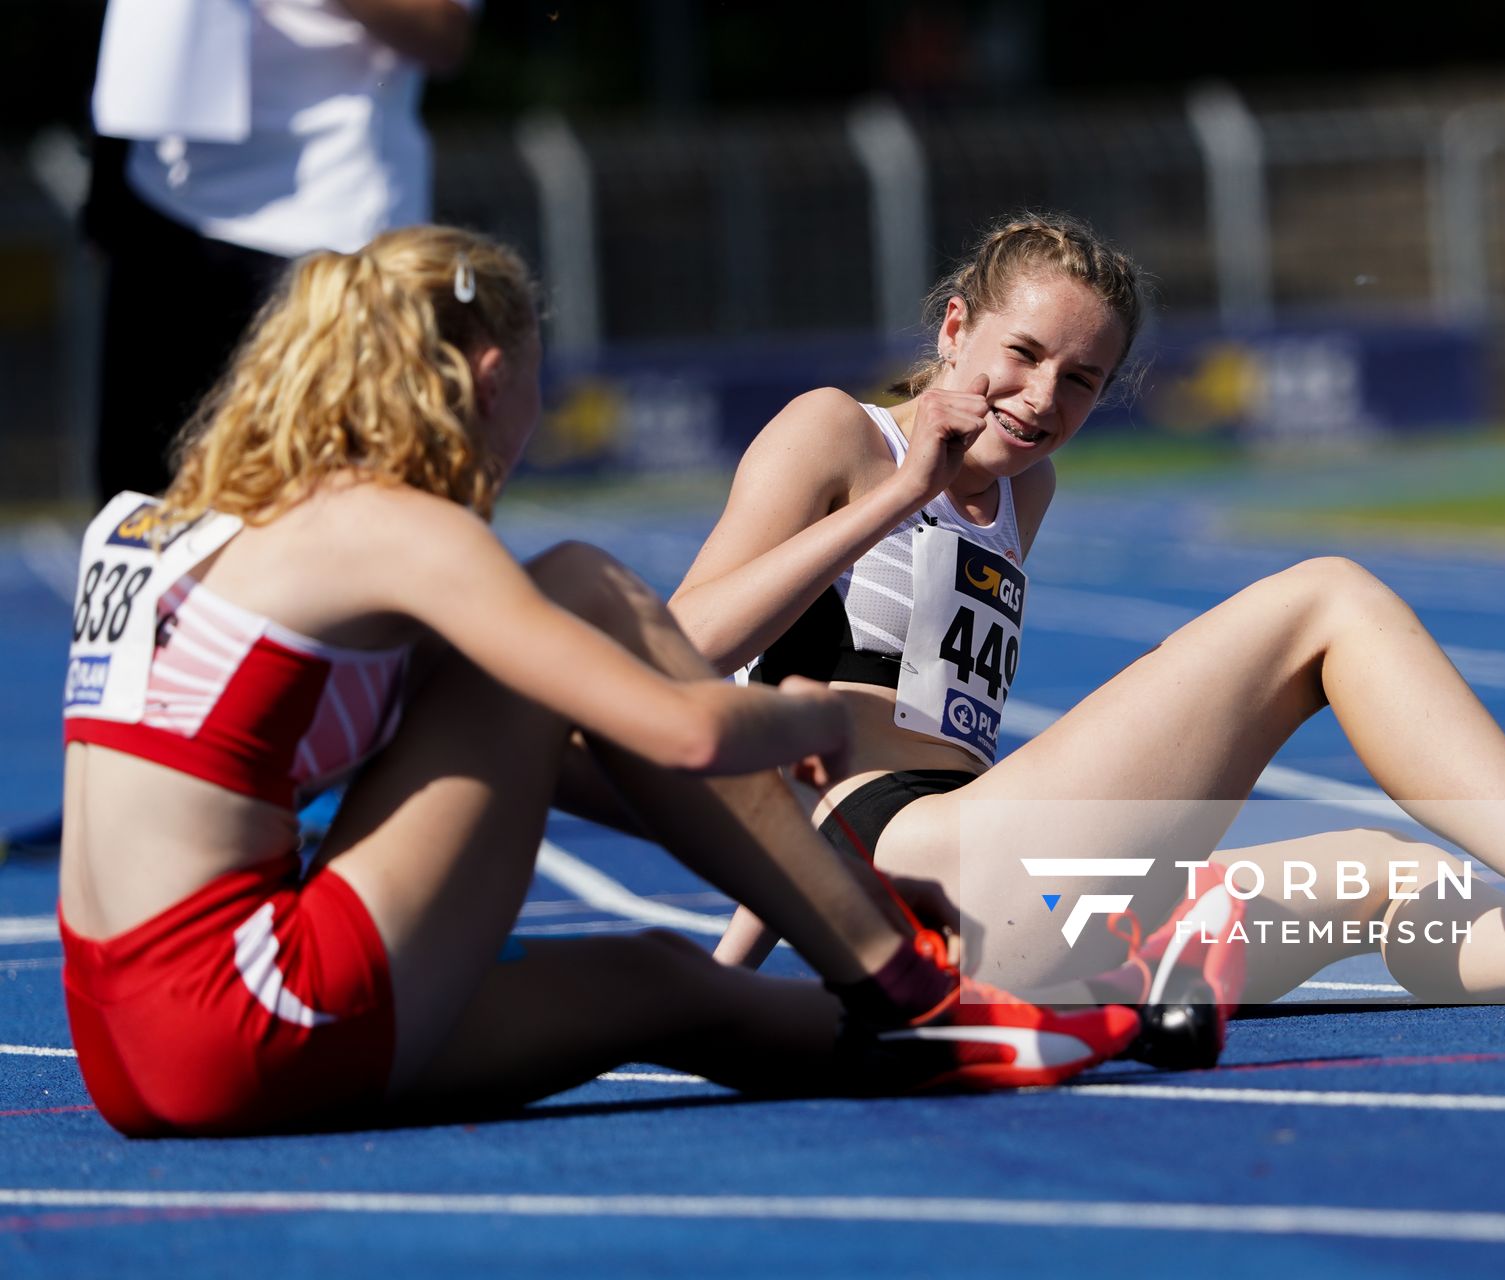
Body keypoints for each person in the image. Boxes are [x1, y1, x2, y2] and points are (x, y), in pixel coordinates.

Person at [56, 225, 1137, 1138]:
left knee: (658, 982)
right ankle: (902, 973)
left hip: (122, 1047)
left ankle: (972, 1023)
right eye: (538, 376)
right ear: (489, 380)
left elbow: (559, 757)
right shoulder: (400, 534)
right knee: (577, 581)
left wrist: (806, 861)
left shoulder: (156, 521)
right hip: (256, 1009)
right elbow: (682, 734)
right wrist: (807, 719)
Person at [668, 213, 1505, 1035]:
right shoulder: (838, 435)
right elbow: (679, 661)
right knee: (1328, 597)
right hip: (934, 876)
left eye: (1082, 380)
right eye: (1024, 354)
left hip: (1039, 915)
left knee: (1400, 881)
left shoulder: (1028, 490)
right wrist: (898, 494)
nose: (1043, 399)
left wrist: (738, 975)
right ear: (954, 329)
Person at [86, 0, 477, 503]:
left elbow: (444, 31)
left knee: (342, 502)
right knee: (140, 507)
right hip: (164, 201)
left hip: (330, 227)